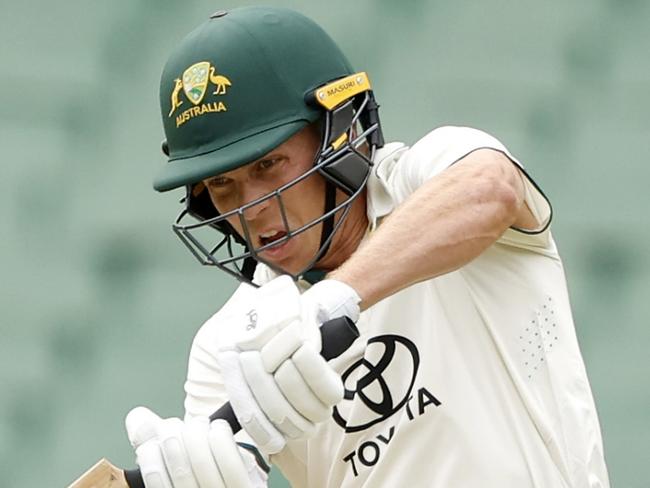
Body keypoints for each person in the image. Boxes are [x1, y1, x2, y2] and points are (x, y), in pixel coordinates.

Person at [124, 6, 610, 488]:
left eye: (268, 165)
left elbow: (491, 187)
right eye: (222, 183)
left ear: (341, 134)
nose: (249, 208)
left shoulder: (427, 176)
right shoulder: (225, 344)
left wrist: (331, 301)